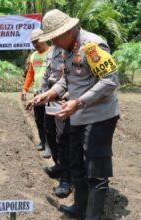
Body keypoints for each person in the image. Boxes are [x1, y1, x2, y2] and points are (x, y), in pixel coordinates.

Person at [32, 9, 120, 219]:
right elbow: (67, 79)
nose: (53, 42)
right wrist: (50, 93)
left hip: (100, 117)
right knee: (76, 164)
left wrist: (79, 102)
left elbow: (110, 80)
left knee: (95, 171)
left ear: (68, 30)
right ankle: (80, 207)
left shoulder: (92, 46)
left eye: (55, 37)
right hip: (78, 115)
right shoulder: (66, 48)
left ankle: (92, 215)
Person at [37, 45, 71, 198]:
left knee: (63, 136)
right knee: (49, 131)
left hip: (65, 97)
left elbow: (74, 79)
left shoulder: (72, 49)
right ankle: (58, 164)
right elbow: (46, 75)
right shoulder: (52, 50)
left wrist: (68, 96)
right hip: (51, 95)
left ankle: (66, 178)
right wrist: (41, 92)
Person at [21, 29, 52, 158]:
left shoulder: (52, 53)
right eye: (33, 42)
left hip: (50, 93)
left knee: (49, 121)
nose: (35, 44)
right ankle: (42, 142)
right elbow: (30, 74)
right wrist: (25, 88)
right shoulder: (33, 56)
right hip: (37, 93)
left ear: (44, 38)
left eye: (37, 41)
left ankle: (50, 146)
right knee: (39, 119)